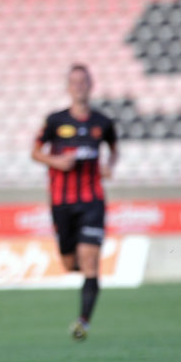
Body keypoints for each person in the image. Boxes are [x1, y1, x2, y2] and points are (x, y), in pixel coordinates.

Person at [30, 63, 119, 342]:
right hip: (62, 203)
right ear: (68, 87)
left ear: (91, 85)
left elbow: (114, 150)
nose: (79, 86)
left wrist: (109, 165)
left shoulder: (102, 123)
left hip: (92, 200)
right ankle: (83, 267)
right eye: (74, 82)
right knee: (70, 263)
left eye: (84, 81)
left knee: (90, 261)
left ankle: (83, 322)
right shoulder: (55, 121)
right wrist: (56, 160)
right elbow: (35, 152)